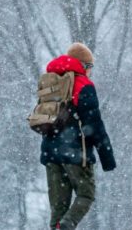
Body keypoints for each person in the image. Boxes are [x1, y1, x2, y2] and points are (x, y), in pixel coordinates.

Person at [41, 42, 116, 230]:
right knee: (86, 194)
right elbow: (94, 124)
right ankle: (67, 225)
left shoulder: (51, 82)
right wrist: (107, 158)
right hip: (75, 153)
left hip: (51, 154)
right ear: (83, 65)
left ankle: (60, 225)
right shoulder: (84, 86)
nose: (91, 71)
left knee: (58, 207)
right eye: (90, 67)